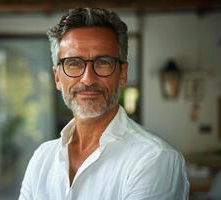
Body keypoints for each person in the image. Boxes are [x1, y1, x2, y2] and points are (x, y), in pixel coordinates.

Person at [19, 8, 189, 200]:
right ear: (57, 77)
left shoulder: (155, 158)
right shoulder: (42, 158)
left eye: (103, 62)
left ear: (123, 74)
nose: (88, 79)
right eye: (74, 63)